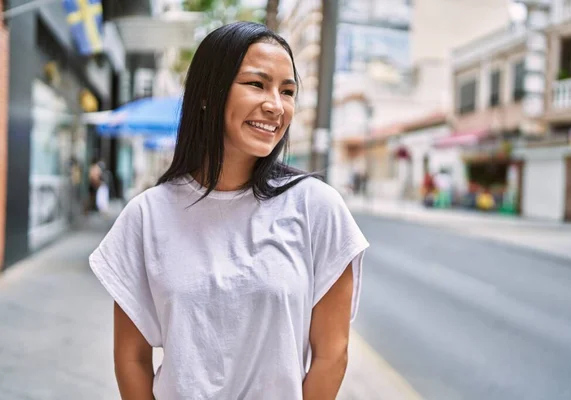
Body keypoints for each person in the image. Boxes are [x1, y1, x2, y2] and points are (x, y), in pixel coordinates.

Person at [89, 22, 369, 400]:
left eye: (287, 91)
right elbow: (132, 359)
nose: (275, 105)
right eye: (257, 84)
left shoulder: (317, 208)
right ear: (208, 93)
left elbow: (331, 355)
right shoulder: (147, 216)